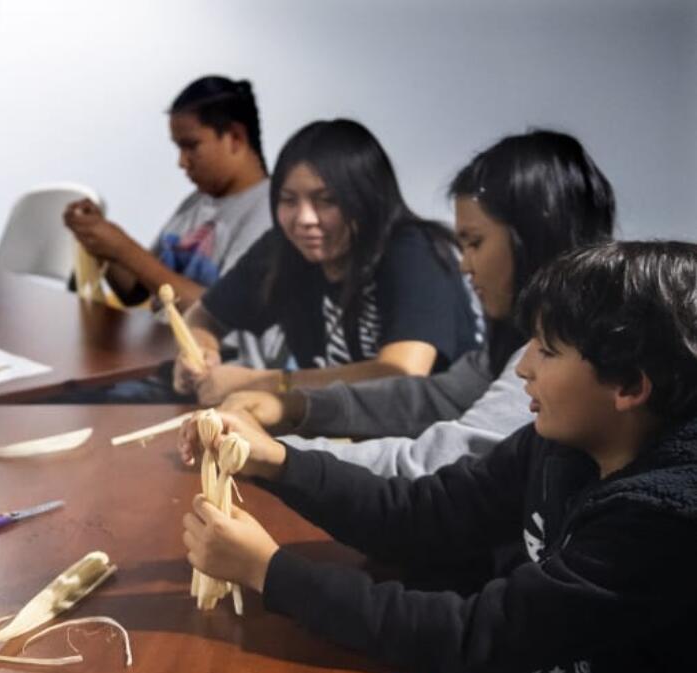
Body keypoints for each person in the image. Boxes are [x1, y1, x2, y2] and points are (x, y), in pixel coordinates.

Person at [180, 241, 697, 673]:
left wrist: (268, 571)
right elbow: (426, 511)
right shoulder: (563, 444)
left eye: (548, 351)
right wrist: (276, 460)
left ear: (628, 385)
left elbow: (473, 634)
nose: (523, 365)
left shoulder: (663, 519)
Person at [222, 130, 616, 477]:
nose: (463, 265)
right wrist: (297, 406)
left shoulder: (558, 357)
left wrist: (276, 452)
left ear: (533, 239)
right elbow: (433, 396)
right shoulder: (514, 344)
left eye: (475, 243)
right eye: (289, 201)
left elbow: (437, 463)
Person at [174, 118, 480, 406]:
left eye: (327, 200)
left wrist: (269, 382)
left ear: (366, 199)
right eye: (289, 200)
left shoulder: (413, 250)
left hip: (425, 446)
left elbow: (402, 372)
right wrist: (200, 351)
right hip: (339, 439)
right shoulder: (285, 248)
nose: (305, 219)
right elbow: (203, 316)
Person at [62, 75, 270, 310]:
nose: (182, 162)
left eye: (191, 146)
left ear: (235, 137)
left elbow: (224, 315)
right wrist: (102, 242)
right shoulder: (196, 202)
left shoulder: (271, 215)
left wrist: (124, 249)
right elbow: (137, 291)